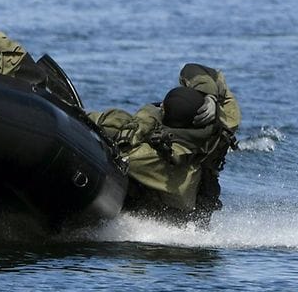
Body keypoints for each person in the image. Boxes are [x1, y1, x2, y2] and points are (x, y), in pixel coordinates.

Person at [89, 63, 241, 227]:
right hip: (197, 191)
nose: (160, 106)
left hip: (173, 206)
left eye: (163, 109)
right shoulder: (226, 120)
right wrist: (209, 96)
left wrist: (147, 115)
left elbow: (123, 155)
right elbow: (203, 72)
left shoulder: (163, 156)